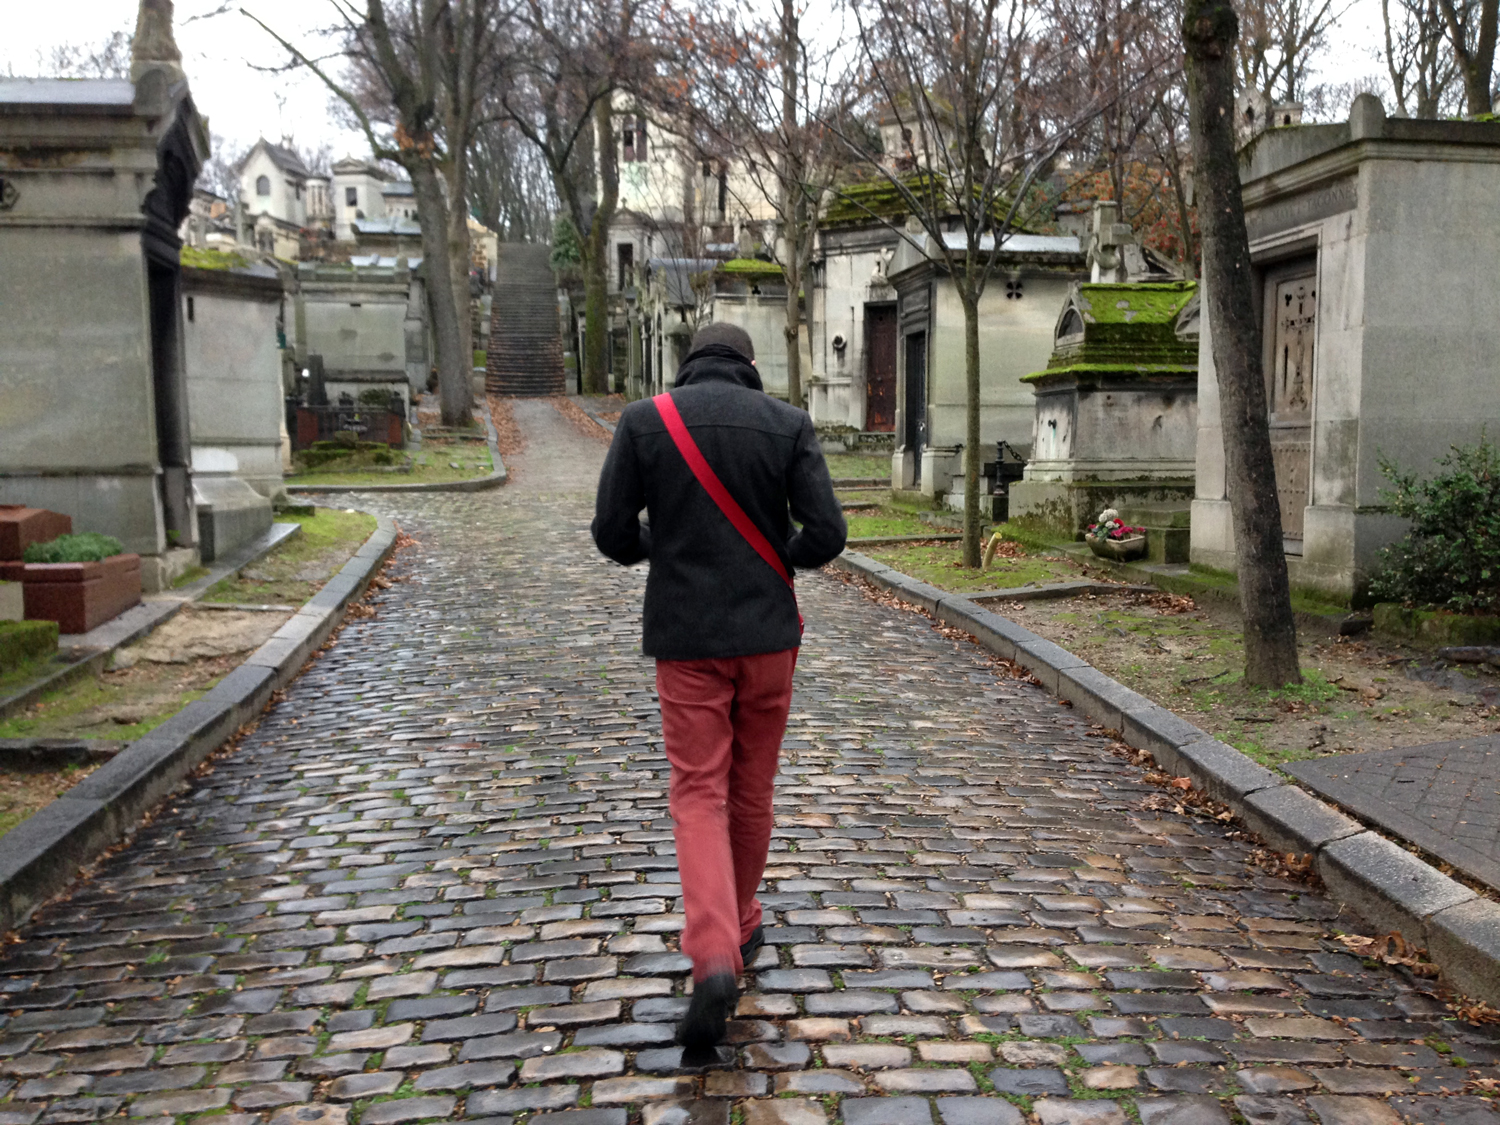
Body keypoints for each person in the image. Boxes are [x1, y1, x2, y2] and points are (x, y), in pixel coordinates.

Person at [591, 322, 847, 1057]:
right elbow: (827, 530)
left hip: (688, 639)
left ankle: (712, 955)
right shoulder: (788, 423)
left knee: (697, 790)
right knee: (752, 789)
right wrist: (781, 558)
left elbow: (611, 532)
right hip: (769, 636)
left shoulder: (644, 422)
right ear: (750, 367)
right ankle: (737, 921)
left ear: (687, 363)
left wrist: (659, 547)